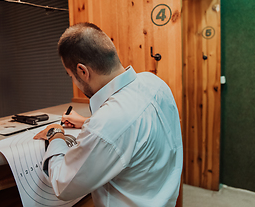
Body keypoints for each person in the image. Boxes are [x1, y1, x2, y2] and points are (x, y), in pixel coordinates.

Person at [34, 22, 183, 207]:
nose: (74, 81)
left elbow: (64, 185)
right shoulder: (154, 82)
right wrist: (87, 122)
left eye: (70, 75)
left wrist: (55, 134)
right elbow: (137, 126)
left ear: (82, 71)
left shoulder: (108, 122)